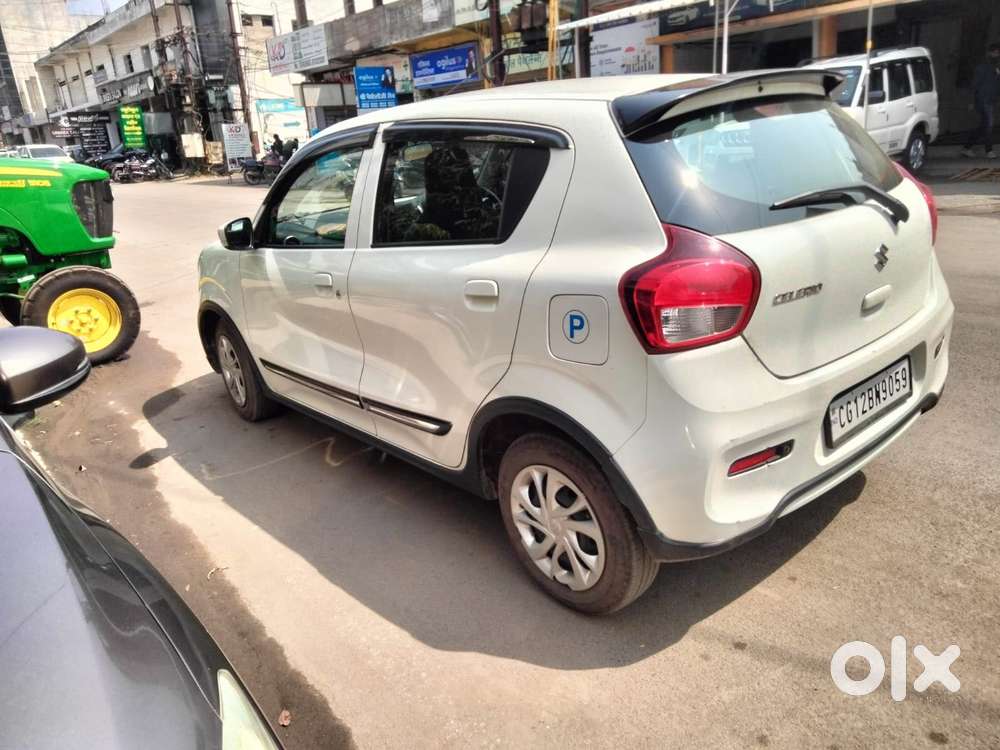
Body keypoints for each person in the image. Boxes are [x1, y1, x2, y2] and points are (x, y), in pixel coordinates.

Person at [962, 43, 1000, 159]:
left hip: (989, 100)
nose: (997, 55)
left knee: (984, 126)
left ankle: (967, 148)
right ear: (990, 53)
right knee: (988, 125)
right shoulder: (983, 67)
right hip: (983, 100)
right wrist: (972, 102)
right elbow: (975, 85)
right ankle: (989, 151)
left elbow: (995, 85)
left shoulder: (995, 68)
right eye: (996, 53)